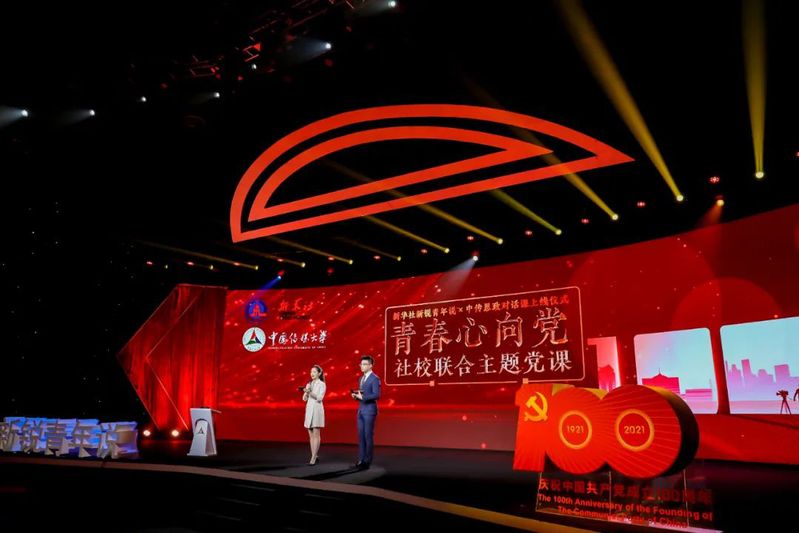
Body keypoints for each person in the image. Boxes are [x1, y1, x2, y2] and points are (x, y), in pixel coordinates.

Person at [351, 355, 381, 469]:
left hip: (369, 410)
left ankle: (367, 461)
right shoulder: (361, 378)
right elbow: (362, 394)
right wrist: (356, 396)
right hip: (361, 410)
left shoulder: (375, 378)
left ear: (370, 365)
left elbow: (376, 395)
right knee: (361, 436)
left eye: (364, 364)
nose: (362, 366)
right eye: (361, 364)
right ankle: (361, 459)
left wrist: (363, 397)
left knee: (368, 435)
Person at [302, 365, 326, 465]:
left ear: (319, 373)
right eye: (311, 372)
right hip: (309, 410)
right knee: (311, 435)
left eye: (314, 372)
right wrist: (306, 393)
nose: (312, 374)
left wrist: (310, 392)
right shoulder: (309, 384)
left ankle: (313, 458)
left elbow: (320, 398)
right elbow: (304, 399)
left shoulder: (322, 384)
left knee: (316, 434)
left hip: (317, 410)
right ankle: (314, 455)